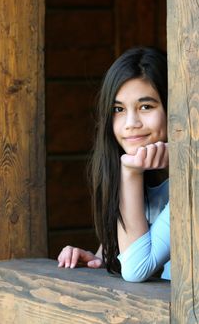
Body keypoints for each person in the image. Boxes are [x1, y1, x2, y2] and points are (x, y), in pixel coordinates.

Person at [57, 46, 170, 282]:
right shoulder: (142, 181)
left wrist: (130, 173)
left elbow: (137, 268)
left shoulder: (189, 181)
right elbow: (122, 257)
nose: (130, 123)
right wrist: (97, 261)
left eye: (146, 106)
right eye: (118, 109)